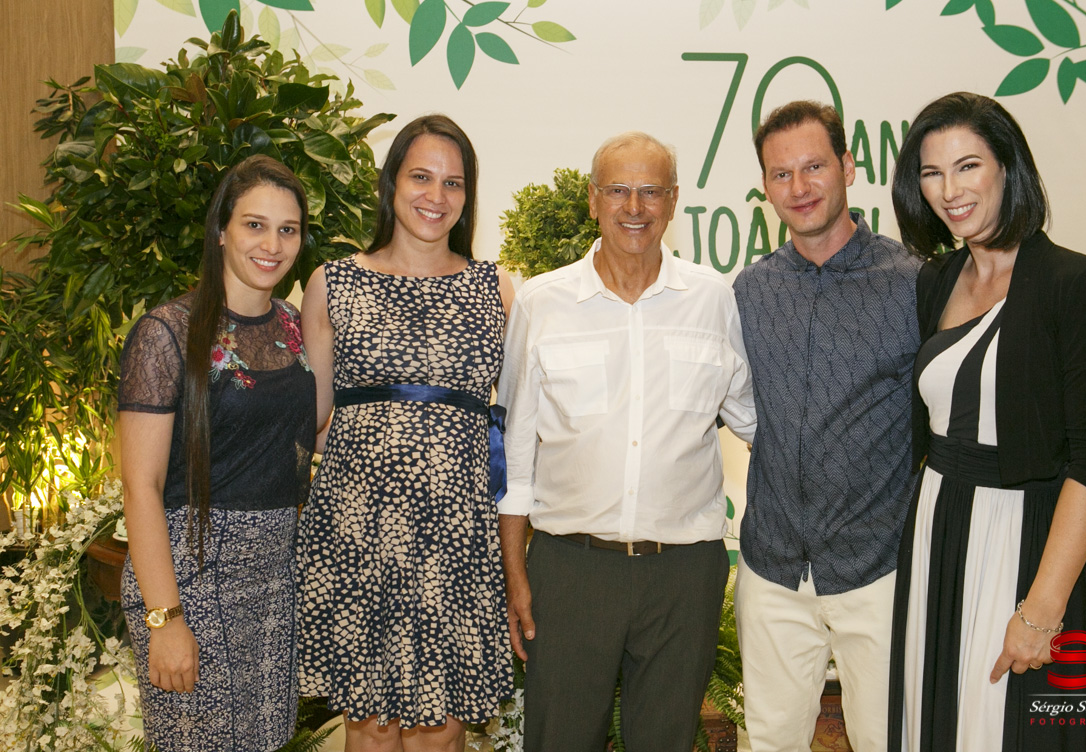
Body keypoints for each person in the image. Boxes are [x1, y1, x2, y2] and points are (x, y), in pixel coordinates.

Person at [498, 131, 756, 752]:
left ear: (673, 201)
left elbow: (757, 422)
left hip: (683, 575)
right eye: (617, 190)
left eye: (650, 191)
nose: (634, 207)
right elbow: (516, 454)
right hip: (570, 569)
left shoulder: (713, 300)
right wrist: (515, 574)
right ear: (593, 199)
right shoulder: (542, 302)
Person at [886, 92, 1086, 752]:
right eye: (932, 173)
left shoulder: (1076, 283)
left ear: (1007, 167)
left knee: (1029, 731)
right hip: (938, 538)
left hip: (1031, 553)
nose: (950, 190)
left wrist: (1042, 611)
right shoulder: (936, 279)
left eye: (968, 166)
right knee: (939, 724)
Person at [295, 114, 515, 752]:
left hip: (455, 534)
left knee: (440, 735)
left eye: (453, 183)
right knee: (370, 730)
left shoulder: (497, 290)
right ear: (391, 182)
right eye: (421, 176)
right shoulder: (331, 283)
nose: (435, 196)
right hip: (357, 532)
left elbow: (521, 422)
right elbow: (311, 420)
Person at [732, 101, 921, 752]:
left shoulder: (912, 283)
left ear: (848, 165)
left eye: (814, 167)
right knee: (769, 743)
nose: (800, 187)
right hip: (773, 570)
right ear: (765, 187)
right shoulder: (749, 292)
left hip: (880, 569)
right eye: (781, 174)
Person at [118, 155, 315, 752]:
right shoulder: (166, 333)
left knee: (267, 741)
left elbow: (310, 432)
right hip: (190, 574)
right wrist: (165, 618)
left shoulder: (294, 327)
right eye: (255, 225)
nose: (272, 245)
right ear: (222, 231)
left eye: (287, 230)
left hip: (274, 577)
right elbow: (141, 487)